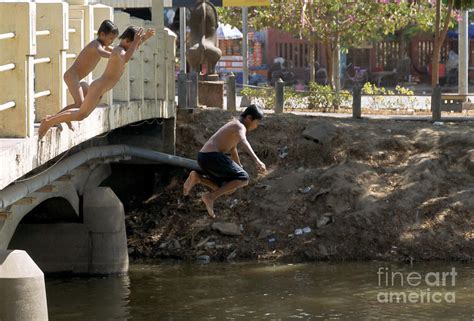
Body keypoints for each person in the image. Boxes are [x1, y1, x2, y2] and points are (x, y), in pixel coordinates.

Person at [38, 26, 156, 139]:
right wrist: (136, 41)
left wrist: (145, 37)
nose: (137, 47)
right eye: (135, 43)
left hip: (100, 89)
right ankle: (48, 122)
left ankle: (52, 119)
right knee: (80, 114)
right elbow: (125, 58)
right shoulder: (118, 51)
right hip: (98, 87)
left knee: (81, 114)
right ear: (126, 40)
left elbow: (133, 48)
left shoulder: (126, 48)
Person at [183, 104, 267, 218]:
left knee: (229, 188)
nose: (256, 126)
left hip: (204, 157)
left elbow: (233, 148)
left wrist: (238, 165)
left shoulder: (234, 125)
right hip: (212, 156)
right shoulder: (239, 126)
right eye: (256, 123)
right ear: (249, 118)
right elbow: (244, 141)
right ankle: (210, 197)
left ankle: (198, 178)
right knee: (244, 178)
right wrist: (257, 161)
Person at [60, 20, 119, 131]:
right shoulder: (95, 45)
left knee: (84, 102)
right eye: (111, 39)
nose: (111, 42)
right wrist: (115, 57)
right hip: (72, 76)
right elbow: (102, 53)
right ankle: (55, 118)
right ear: (102, 35)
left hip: (76, 78)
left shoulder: (103, 45)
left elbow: (116, 50)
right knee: (80, 104)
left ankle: (64, 118)